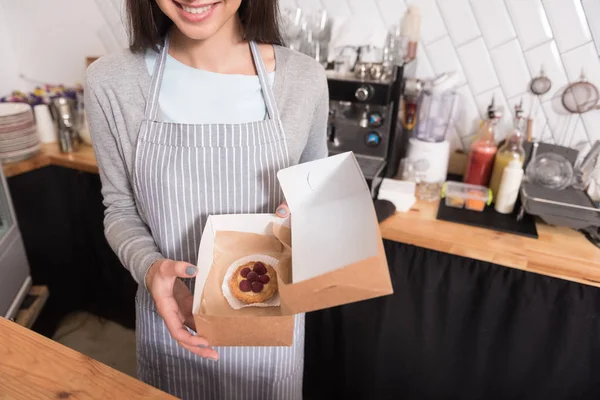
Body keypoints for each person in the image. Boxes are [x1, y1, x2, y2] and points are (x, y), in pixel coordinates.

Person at [85, 0, 328, 398]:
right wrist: (149, 269)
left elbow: (315, 191)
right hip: (172, 325)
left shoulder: (304, 78)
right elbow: (120, 209)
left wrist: (307, 214)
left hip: (271, 333)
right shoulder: (110, 82)